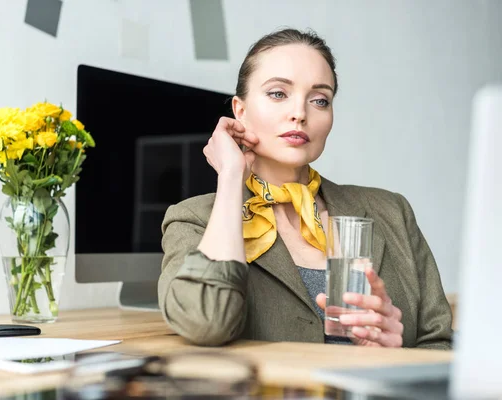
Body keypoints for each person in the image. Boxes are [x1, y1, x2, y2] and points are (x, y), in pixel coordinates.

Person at [157, 28, 453, 349]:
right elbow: (206, 324)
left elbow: (439, 344)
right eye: (278, 94)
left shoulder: (392, 210)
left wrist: (395, 356)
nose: (300, 113)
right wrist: (230, 178)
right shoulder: (193, 219)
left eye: (319, 100)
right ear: (240, 111)